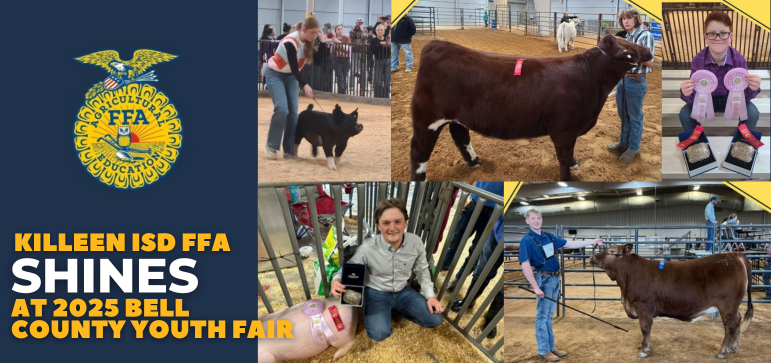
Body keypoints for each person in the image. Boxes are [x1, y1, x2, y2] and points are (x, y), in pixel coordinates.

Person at [330, 198, 443, 341]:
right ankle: (381, 310)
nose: (392, 228)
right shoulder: (367, 247)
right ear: (378, 225)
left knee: (435, 320)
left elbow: (422, 270)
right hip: (377, 292)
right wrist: (336, 280)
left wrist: (430, 296)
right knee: (378, 334)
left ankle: (395, 308)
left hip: (403, 290)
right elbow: (350, 268)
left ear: (405, 223)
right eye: (386, 223)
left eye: (398, 221)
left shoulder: (416, 242)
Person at [518, 208, 603, 362]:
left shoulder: (549, 236)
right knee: (542, 316)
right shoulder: (527, 240)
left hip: (554, 279)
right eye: (533, 218)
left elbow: (570, 243)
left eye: (538, 218)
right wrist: (536, 287)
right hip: (543, 279)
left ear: (541, 220)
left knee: (548, 316)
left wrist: (592, 241)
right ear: (527, 221)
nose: (537, 221)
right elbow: (525, 264)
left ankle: (550, 347)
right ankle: (543, 350)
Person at [678, 11, 761, 132]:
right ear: (705, 37)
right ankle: (696, 144)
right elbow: (695, 95)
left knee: (753, 113)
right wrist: (685, 93)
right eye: (712, 33)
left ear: (730, 37)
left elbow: (745, 97)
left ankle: (742, 144)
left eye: (723, 33)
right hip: (705, 101)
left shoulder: (739, 60)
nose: (718, 38)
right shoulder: (697, 60)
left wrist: (753, 89)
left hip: (731, 100)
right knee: (684, 114)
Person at [265, 17, 319, 160]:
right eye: (313, 33)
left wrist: (324, 41)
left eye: (316, 33)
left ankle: (289, 151)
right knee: (282, 108)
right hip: (275, 74)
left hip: (291, 77)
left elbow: (317, 61)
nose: (314, 36)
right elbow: (295, 68)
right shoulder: (290, 41)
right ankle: (271, 145)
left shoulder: (308, 42)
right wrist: (305, 84)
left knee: (293, 113)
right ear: (304, 30)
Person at [606, 8, 655, 164]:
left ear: (636, 19)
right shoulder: (626, 36)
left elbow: (650, 62)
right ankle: (623, 143)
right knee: (623, 114)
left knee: (635, 116)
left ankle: (633, 147)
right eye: (624, 19)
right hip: (623, 80)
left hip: (636, 80)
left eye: (629, 18)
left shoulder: (645, 36)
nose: (626, 21)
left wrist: (631, 54)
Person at [442, 182, 504, 284]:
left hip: (495, 215)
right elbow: (471, 175)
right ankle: (445, 264)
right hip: (473, 205)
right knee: (455, 239)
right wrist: (463, 197)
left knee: (476, 251)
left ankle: (459, 279)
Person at [450, 214, 503, 313]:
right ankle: (469, 301)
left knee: (510, 281)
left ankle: (491, 318)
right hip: (500, 232)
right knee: (483, 271)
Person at [370, 23, 391, 98]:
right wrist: (380, 44)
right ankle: (377, 96)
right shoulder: (373, 40)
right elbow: (374, 51)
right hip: (378, 60)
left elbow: (390, 52)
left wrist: (389, 45)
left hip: (387, 60)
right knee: (378, 80)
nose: (380, 31)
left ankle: (385, 96)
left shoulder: (387, 39)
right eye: (378, 30)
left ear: (384, 31)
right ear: (376, 32)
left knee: (387, 80)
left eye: (381, 30)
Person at [331, 24, 351, 94]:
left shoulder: (346, 38)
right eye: (338, 29)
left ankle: (344, 93)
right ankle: (340, 92)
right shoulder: (334, 38)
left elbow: (346, 49)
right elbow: (332, 51)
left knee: (344, 77)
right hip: (336, 59)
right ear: (335, 31)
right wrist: (333, 44)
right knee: (339, 77)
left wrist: (338, 42)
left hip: (345, 59)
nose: (340, 30)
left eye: (341, 29)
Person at [349, 18, 367, 88]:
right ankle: (352, 85)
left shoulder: (365, 30)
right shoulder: (352, 30)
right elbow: (352, 38)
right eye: (358, 23)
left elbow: (365, 38)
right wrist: (360, 40)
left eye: (361, 23)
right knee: (353, 69)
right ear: (356, 23)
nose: (360, 24)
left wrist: (362, 31)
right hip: (355, 51)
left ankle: (364, 85)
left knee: (363, 69)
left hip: (363, 52)